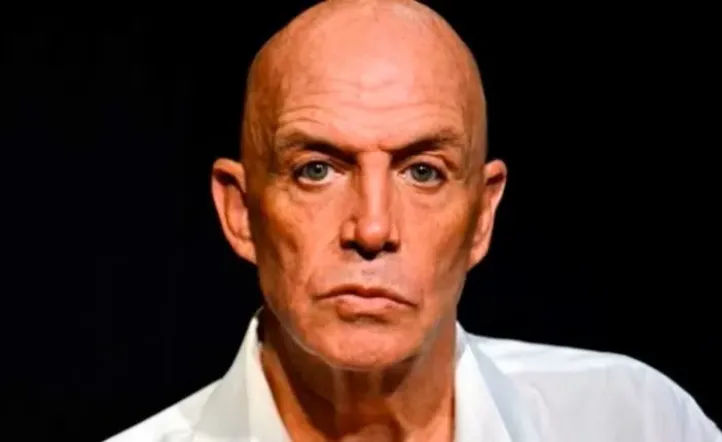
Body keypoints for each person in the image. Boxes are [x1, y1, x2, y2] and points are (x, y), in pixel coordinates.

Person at [106, 1, 721, 441]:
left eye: (423, 172)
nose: (372, 229)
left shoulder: (635, 422)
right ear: (241, 211)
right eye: (317, 170)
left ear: (482, 215)